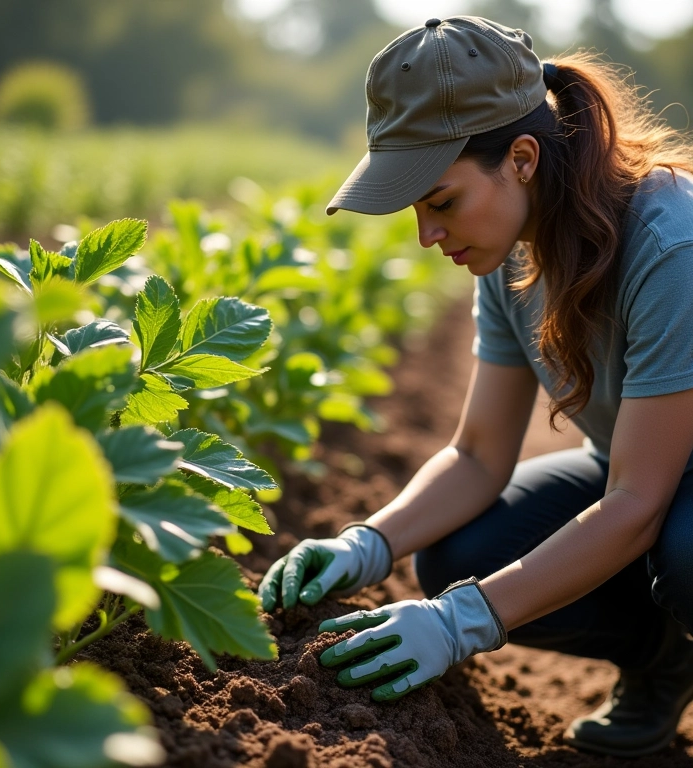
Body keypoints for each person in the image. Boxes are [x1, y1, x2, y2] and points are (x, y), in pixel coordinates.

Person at [256, 15, 693, 759]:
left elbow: (636, 503)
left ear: (521, 158)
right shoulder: (515, 254)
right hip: (650, 472)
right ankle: (665, 658)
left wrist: (463, 623)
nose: (427, 234)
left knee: (687, 550)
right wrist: (369, 543)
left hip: (662, 491)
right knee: (462, 554)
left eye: (441, 200)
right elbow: (479, 453)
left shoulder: (670, 248)